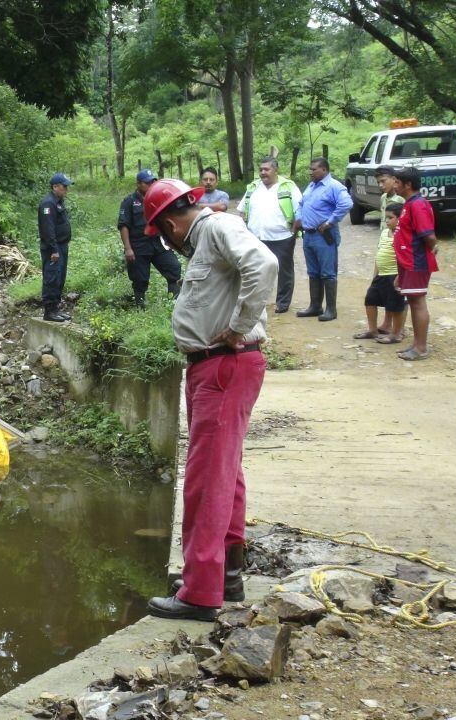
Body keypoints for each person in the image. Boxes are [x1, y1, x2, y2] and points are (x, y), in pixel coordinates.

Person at [139, 178, 277, 621]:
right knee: (225, 473)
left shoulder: (215, 228)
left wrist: (239, 326)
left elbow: (264, 263)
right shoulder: (206, 238)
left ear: (168, 226)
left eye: (161, 233)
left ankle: (200, 593)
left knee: (205, 479)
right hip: (213, 367)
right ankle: (225, 573)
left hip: (223, 365)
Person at [236, 157, 301, 314]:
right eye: (261, 169)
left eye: (267, 169)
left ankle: (282, 303)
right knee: (256, 270)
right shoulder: (253, 187)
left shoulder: (288, 186)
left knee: (284, 270)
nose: (263, 172)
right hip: (256, 237)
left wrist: (293, 230)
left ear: (276, 170)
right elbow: (241, 209)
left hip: (282, 237)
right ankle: (256, 302)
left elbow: (300, 210)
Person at [292, 157, 353, 322]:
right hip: (309, 234)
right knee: (313, 272)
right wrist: (298, 218)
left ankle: (331, 309)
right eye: (310, 169)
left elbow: (346, 204)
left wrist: (330, 221)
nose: (310, 172)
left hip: (324, 235)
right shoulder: (311, 186)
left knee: (327, 272)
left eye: (314, 169)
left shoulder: (334, 186)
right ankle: (315, 306)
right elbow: (301, 204)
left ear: (324, 170)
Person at [390, 166, 438, 360]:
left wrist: (432, 248)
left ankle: (421, 348)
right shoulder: (409, 204)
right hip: (407, 262)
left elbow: (428, 235)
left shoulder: (418, 205)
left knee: (417, 302)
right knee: (412, 300)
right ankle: (417, 344)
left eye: (397, 182)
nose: (394, 185)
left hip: (416, 262)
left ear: (408, 184)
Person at [117, 169, 182, 307]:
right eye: (147, 183)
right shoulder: (129, 202)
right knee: (140, 279)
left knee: (174, 268)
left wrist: (171, 240)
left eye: (153, 182)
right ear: (139, 184)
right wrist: (128, 248)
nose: (151, 185)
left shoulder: (157, 199)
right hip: (138, 245)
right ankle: (140, 308)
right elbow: (123, 226)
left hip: (158, 243)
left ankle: (174, 304)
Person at [354, 202, 406, 343]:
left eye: (391, 218)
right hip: (381, 274)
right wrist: (374, 275)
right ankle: (373, 330)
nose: (387, 221)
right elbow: (379, 254)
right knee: (370, 299)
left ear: (400, 219)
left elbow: (404, 258)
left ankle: (396, 333)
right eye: (386, 218)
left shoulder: (403, 234)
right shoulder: (384, 233)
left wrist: (401, 277)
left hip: (394, 274)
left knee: (395, 305)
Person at [38, 173, 74, 322]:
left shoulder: (59, 201)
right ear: (55, 187)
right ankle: (49, 311)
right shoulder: (48, 203)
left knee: (60, 277)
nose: (66, 189)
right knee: (52, 277)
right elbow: (48, 229)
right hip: (53, 248)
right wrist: (53, 249)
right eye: (64, 186)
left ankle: (56, 309)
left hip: (62, 245)